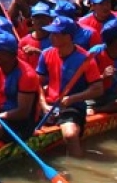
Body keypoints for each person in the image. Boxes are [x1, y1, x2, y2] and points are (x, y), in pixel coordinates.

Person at [35, 16, 105, 156]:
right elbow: (38, 82)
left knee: (70, 135)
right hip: (48, 106)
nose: (51, 37)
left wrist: (73, 98)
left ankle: (78, 165)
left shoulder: (85, 59)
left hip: (72, 107)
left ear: (68, 37)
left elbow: (98, 89)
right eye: (51, 33)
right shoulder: (46, 54)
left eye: (56, 34)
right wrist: (43, 104)